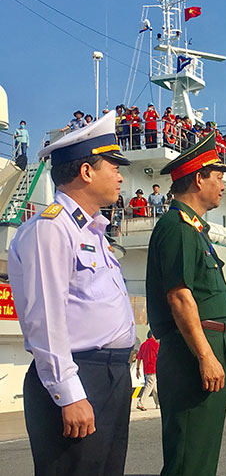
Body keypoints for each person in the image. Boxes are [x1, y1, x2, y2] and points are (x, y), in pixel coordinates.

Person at [8, 111, 135, 475]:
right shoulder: (50, 229)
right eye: (113, 165)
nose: (120, 175)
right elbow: (45, 319)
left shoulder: (93, 231)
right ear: (86, 172)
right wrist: (70, 393)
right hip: (81, 376)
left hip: (110, 377)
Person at [146, 132, 226, 476]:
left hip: (207, 343)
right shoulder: (178, 227)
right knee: (189, 456)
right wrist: (205, 355)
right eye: (218, 177)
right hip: (195, 348)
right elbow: (179, 295)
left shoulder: (194, 229)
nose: (222, 186)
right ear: (199, 178)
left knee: (201, 453)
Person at [136, 330, 160, 411]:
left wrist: (137, 369)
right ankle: (141, 402)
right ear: (153, 335)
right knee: (150, 385)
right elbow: (159, 356)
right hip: (153, 368)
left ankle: (158, 404)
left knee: (153, 387)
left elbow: (139, 358)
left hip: (146, 369)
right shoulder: (155, 344)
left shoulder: (143, 345)